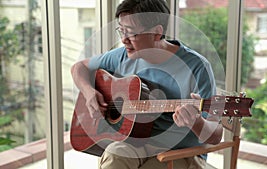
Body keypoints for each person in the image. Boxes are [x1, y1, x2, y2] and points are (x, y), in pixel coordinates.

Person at [71, 0, 223, 168]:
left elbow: (215, 136)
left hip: (182, 152)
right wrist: (89, 92)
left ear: (157, 32)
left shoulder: (197, 67)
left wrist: (196, 122)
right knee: (113, 156)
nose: (124, 40)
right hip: (137, 144)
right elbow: (79, 67)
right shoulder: (122, 56)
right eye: (121, 30)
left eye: (131, 33)